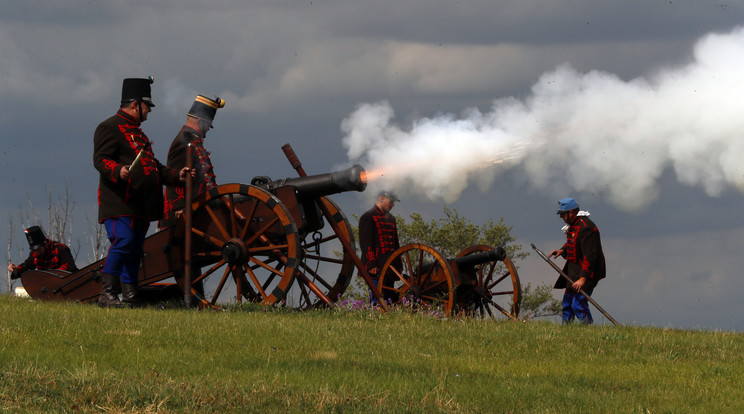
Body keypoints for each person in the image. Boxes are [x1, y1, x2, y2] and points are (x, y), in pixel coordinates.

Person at [93, 77, 193, 307]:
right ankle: (106, 294)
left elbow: (153, 166)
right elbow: (100, 159)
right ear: (135, 104)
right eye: (146, 106)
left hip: (140, 205)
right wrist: (118, 170)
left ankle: (130, 295)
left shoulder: (139, 135)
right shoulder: (108, 127)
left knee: (135, 249)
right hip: (121, 202)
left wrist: (178, 175)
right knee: (123, 242)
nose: (148, 111)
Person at [159, 94, 226, 228]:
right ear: (201, 122)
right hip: (182, 214)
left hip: (200, 208)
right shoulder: (183, 140)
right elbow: (175, 174)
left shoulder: (193, 140)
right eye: (208, 125)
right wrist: (179, 206)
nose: (207, 129)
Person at [549, 197, 606, 324]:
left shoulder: (587, 228)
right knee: (567, 303)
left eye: (563, 214)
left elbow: (590, 255)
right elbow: (574, 242)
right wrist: (562, 250)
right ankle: (566, 330)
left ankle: (587, 330)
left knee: (578, 305)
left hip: (587, 272)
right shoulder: (576, 225)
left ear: (571, 213)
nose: (561, 217)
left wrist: (583, 279)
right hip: (574, 271)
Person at [358, 190, 401, 305]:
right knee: (377, 299)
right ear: (381, 198)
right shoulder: (368, 217)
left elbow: (395, 244)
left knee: (389, 299)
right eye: (391, 201)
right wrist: (371, 263)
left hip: (390, 267)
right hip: (376, 266)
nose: (392, 205)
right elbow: (366, 243)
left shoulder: (391, 218)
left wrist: (398, 264)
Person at [7, 226, 78, 279]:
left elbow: (70, 267)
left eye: (39, 250)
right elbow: (26, 266)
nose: (37, 253)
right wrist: (15, 270)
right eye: (34, 250)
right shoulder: (35, 255)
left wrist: (50, 276)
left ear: (45, 243)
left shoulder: (61, 249)